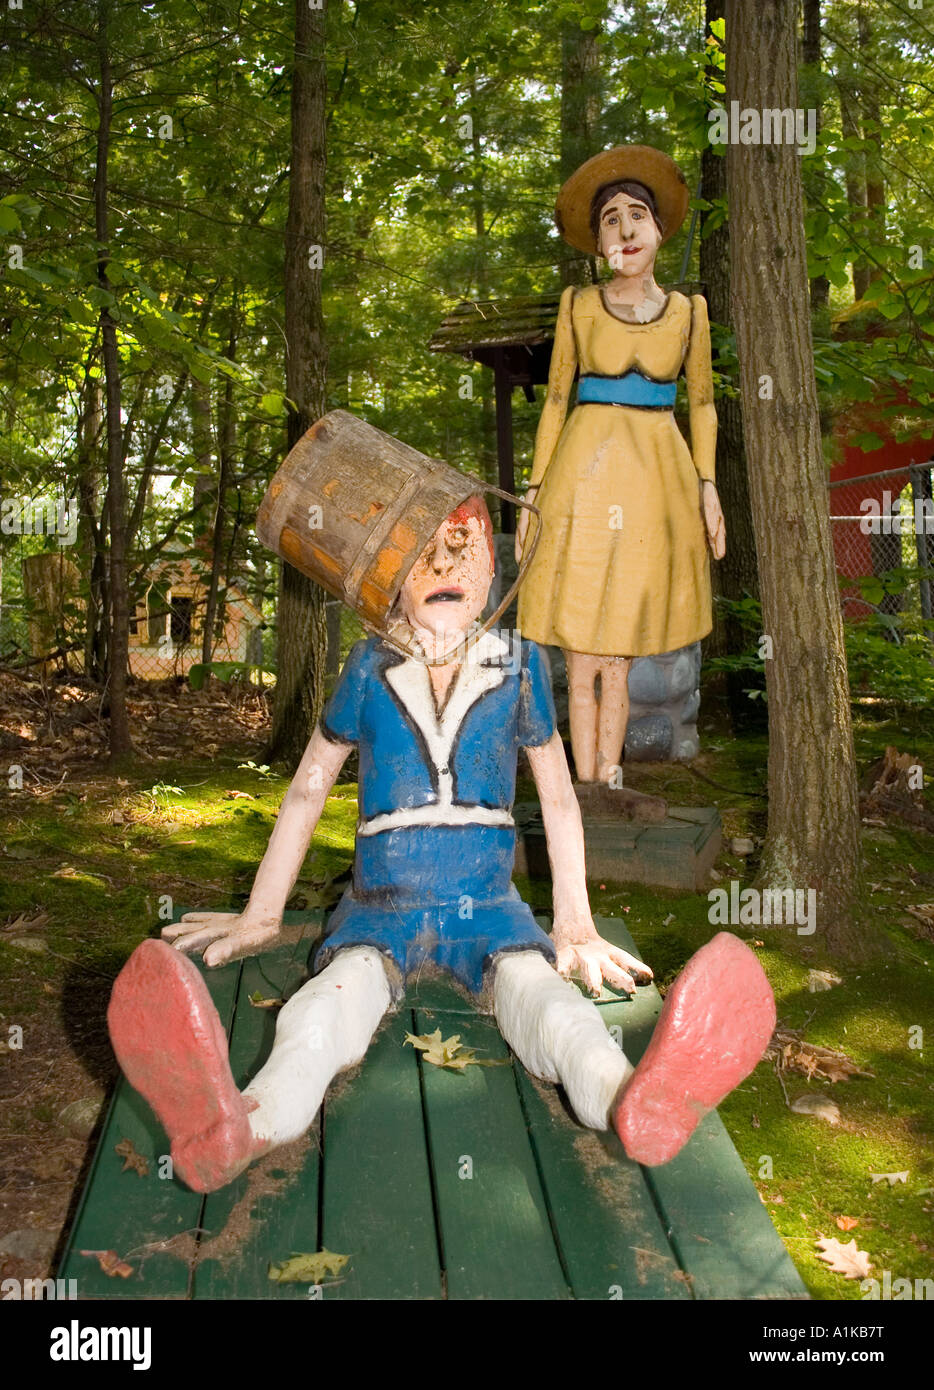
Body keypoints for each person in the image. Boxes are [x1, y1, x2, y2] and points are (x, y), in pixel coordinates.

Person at [108, 493, 773, 1195]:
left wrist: (574, 922)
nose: (446, 564)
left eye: (466, 546)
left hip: (489, 908)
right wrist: (260, 916)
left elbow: (556, 795)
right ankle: (243, 1125)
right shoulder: (366, 667)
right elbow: (307, 791)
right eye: (424, 551)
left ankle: (631, 1102)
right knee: (324, 1008)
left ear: (495, 568)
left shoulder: (520, 666)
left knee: (550, 1007)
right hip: (377, 910)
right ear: (392, 574)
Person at [515, 146, 726, 818]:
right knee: (580, 650)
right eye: (611, 219)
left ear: (660, 230)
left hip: (655, 482)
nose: (626, 229)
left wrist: (707, 483)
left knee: (621, 653)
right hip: (584, 471)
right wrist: (535, 489)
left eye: (638, 215)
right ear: (598, 240)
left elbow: (702, 404)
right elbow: (554, 401)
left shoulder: (691, 313)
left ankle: (609, 781)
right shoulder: (577, 305)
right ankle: (579, 792)